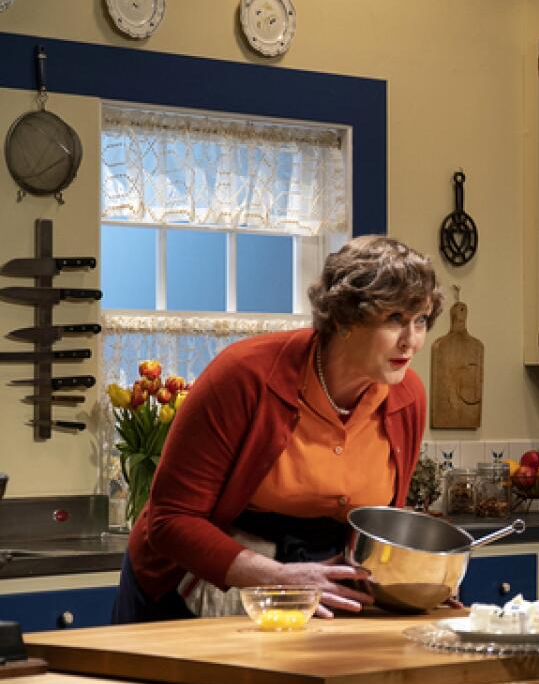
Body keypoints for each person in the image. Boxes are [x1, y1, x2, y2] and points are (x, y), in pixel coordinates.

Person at [113, 236, 443, 623]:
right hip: (198, 586)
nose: (412, 340)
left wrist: (413, 586)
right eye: (394, 320)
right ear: (344, 319)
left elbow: (379, 526)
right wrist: (276, 577)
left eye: (420, 320)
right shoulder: (246, 376)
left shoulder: (406, 396)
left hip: (317, 590)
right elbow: (170, 521)